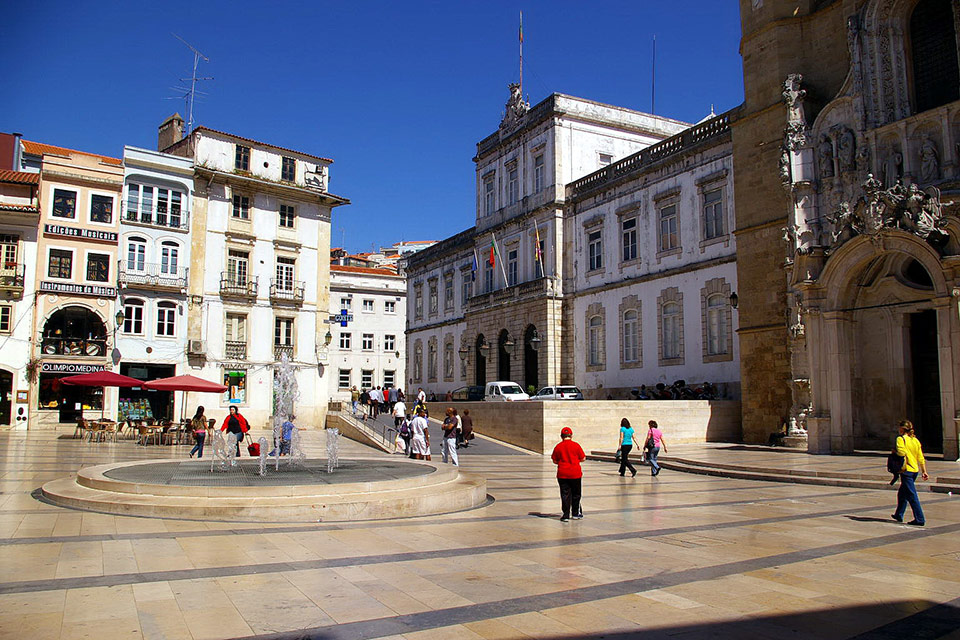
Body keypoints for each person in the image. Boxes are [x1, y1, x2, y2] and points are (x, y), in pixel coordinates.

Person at [892, 419, 927, 526]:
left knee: (912, 495)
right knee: (902, 492)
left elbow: (902, 452)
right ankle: (899, 514)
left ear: (902, 429)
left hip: (906, 469)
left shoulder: (901, 439)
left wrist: (895, 452)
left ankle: (920, 518)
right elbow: (920, 457)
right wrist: (924, 471)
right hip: (914, 470)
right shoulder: (915, 440)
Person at [551, 427, 585, 522]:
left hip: (562, 474)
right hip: (575, 473)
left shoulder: (558, 446)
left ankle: (565, 515)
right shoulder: (576, 445)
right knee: (576, 494)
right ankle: (575, 513)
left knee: (565, 494)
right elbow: (583, 458)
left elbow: (554, 460)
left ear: (561, 436)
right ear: (571, 435)